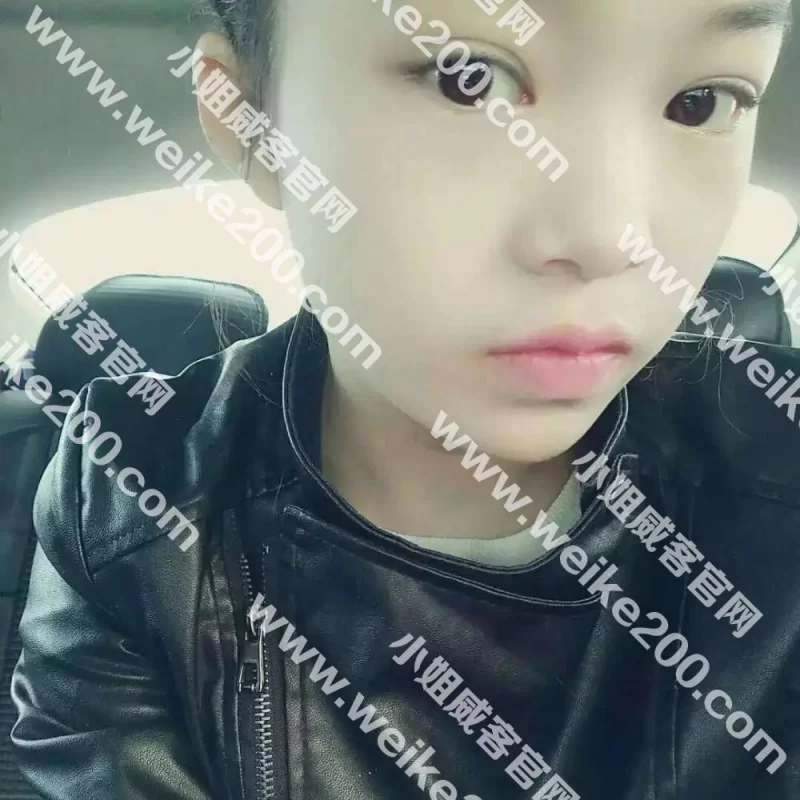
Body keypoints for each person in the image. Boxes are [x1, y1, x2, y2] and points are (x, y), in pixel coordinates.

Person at [10, 0, 799, 798]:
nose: (611, 239)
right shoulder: (129, 498)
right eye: (467, 79)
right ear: (249, 117)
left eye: (702, 102)